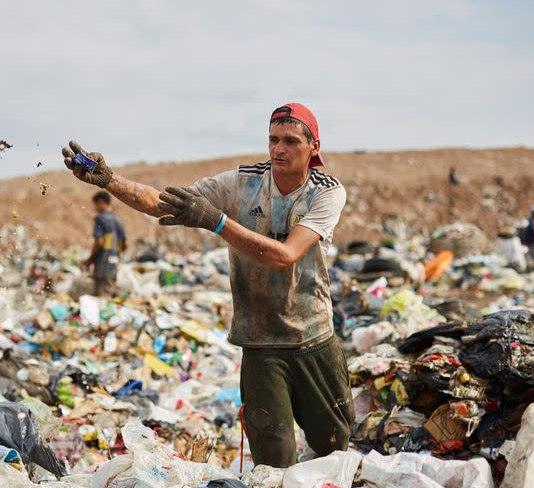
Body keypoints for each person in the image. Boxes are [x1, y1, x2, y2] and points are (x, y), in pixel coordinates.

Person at [63, 103, 354, 467]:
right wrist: (110, 180)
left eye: (291, 141)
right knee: (273, 465)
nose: (279, 148)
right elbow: (166, 203)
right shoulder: (243, 182)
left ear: (313, 147)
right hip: (261, 346)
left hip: (313, 339)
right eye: (273, 139)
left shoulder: (325, 191)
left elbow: (285, 256)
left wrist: (216, 221)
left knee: (335, 449)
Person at [86, 190, 126, 296]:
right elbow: (124, 244)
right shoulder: (118, 220)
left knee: (101, 302)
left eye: (96, 205)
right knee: (109, 299)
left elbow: (99, 243)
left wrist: (90, 260)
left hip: (102, 266)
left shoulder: (100, 218)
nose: (95, 208)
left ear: (101, 202)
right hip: (113, 267)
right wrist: (114, 253)